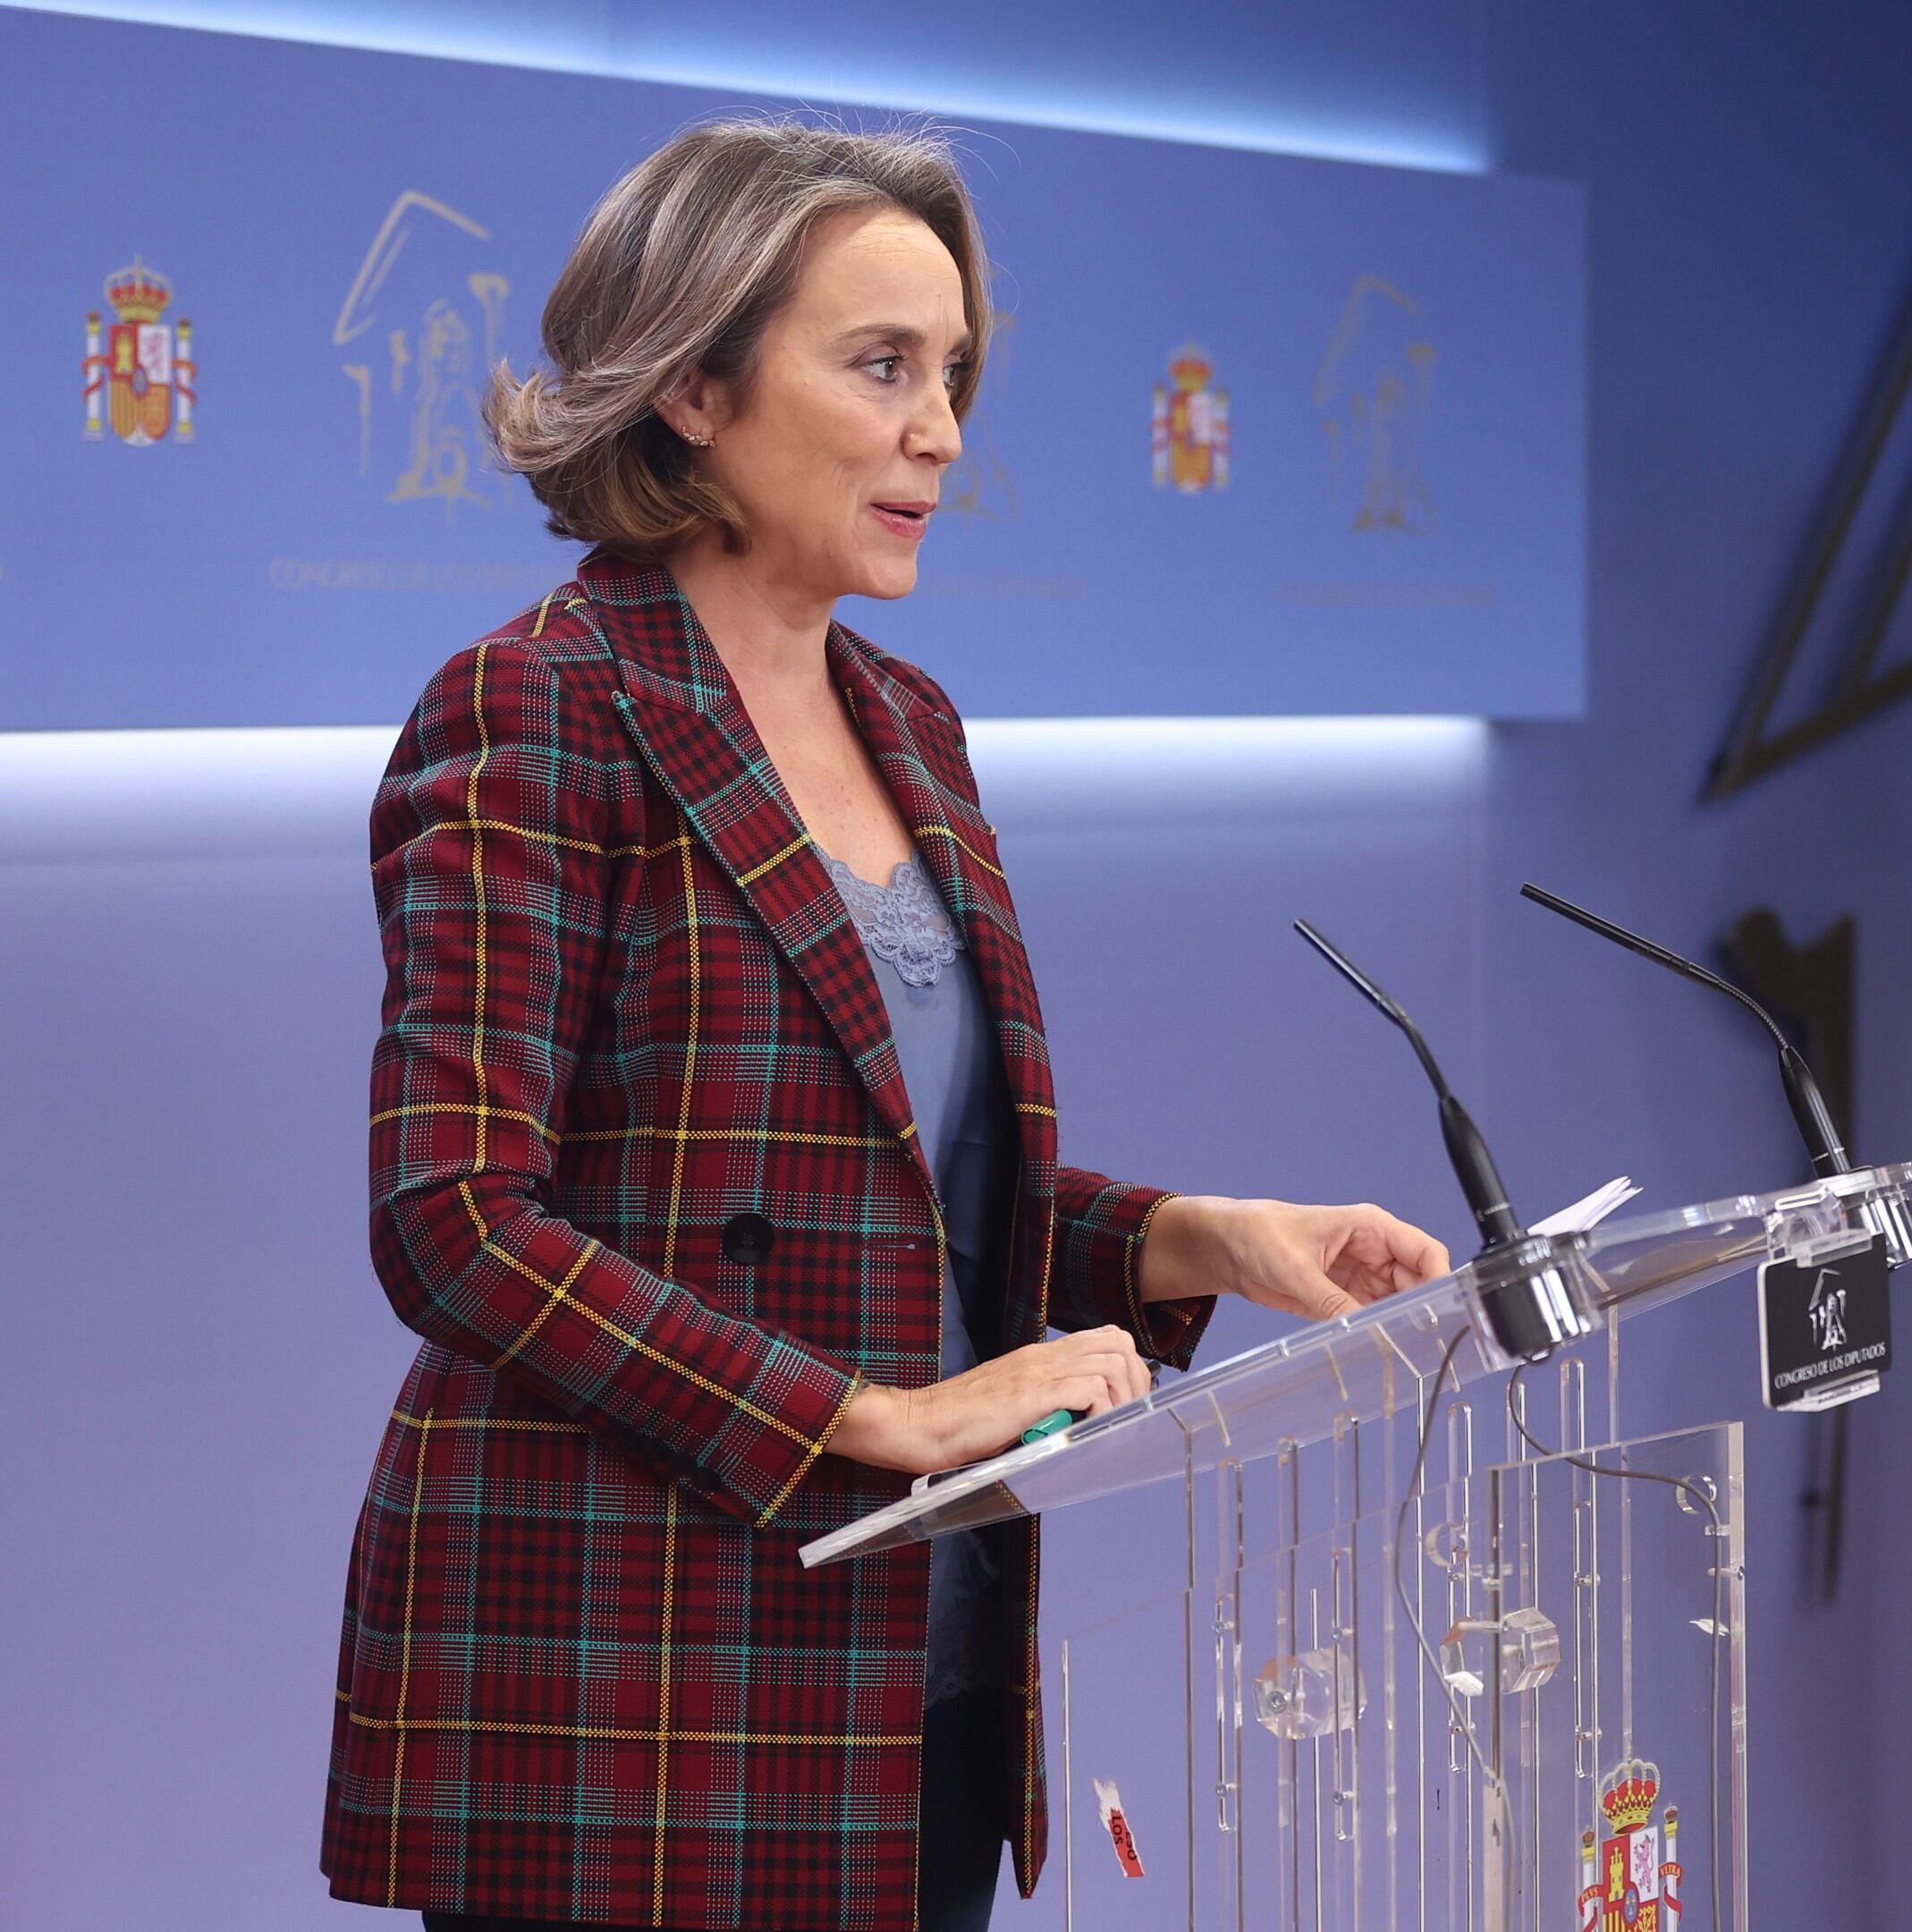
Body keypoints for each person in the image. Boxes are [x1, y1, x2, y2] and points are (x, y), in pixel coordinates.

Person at [318, 119, 1453, 1932]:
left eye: (953, 373)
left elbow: (887, 1190)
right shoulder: (537, 708)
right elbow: (453, 1221)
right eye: (881, 366)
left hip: (910, 1683)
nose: (941, 431)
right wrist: (877, 1418)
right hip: (628, 1693)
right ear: (692, 386)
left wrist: (1199, 1239)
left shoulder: (911, 721)